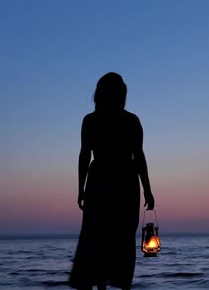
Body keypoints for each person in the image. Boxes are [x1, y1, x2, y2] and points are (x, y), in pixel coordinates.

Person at [69, 72, 155, 290]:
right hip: (125, 181)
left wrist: (81, 188)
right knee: (122, 238)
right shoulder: (130, 121)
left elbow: (84, 155)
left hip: (100, 180)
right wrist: (147, 189)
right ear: (122, 94)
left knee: (97, 236)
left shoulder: (91, 120)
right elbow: (139, 155)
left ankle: (101, 286)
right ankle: (123, 284)